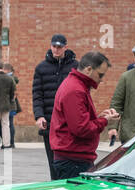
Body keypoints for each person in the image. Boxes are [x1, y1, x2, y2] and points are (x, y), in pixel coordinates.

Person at [49, 51, 119, 180]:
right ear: (88, 69)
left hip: (73, 158)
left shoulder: (76, 85)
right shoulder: (75, 89)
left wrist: (98, 118)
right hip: (73, 160)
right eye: (100, 74)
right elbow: (82, 129)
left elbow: (79, 122)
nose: (101, 79)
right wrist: (104, 120)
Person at [33, 34, 78, 174]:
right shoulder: (41, 67)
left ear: (65, 47)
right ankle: (55, 187)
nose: (56, 50)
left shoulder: (76, 66)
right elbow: (37, 94)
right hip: (50, 121)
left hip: (70, 122)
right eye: (54, 46)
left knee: (70, 160)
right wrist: (39, 116)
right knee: (53, 162)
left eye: (59, 47)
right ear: (50, 46)